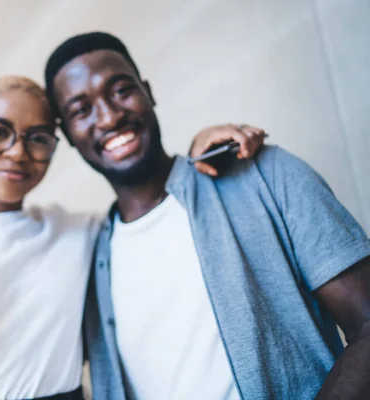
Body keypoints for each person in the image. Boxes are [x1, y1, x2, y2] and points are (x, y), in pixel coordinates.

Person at [0, 65, 265, 400]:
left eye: (38, 139)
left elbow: (154, 203)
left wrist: (198, 152)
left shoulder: (77, 231)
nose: (19, 152)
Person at [41, 32, 370, 399]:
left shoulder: (264, 174)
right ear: (68, 135)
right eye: (81, 110)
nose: (109, 116)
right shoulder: (83, 262)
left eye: (120, 90)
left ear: (148, 92)